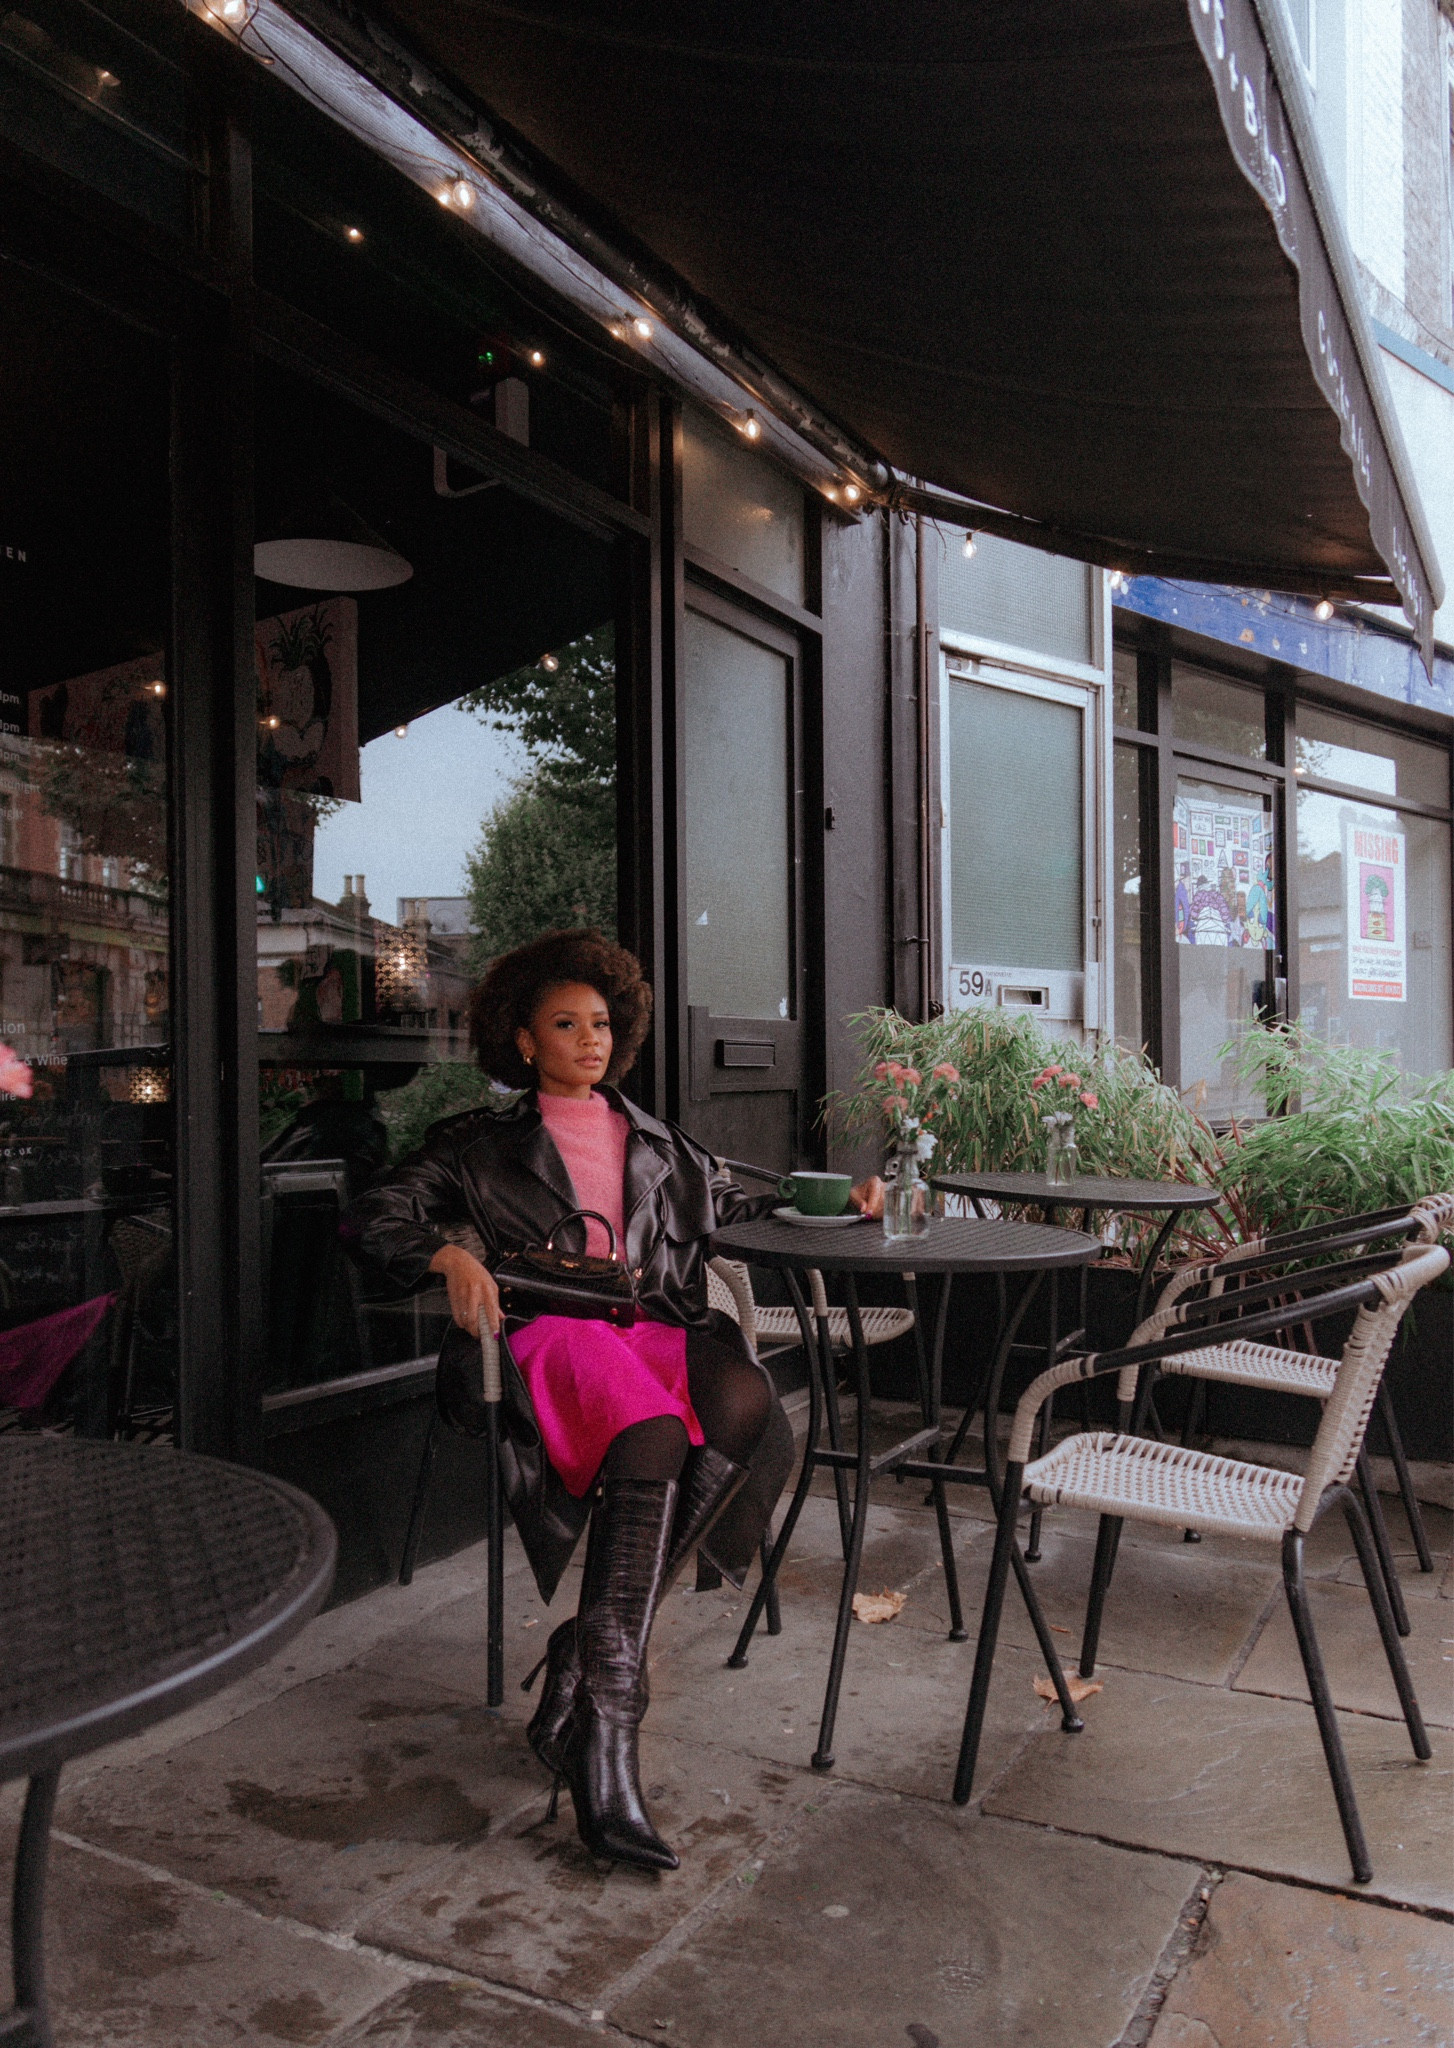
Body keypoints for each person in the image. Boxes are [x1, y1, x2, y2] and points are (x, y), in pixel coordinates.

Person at [349, 929, 881, 1871]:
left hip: (654, 1328)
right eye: (566, 1024)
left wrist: (853, 1202)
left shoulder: (660, 1142)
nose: (590, 1040)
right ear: (523, 1039)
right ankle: (609, 1736)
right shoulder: (478, 1145)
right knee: (648, 1430)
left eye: (601, 1023)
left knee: (747, 1403)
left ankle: (587, 1652)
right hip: (551, 1331)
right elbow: (374, 1214)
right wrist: (448, 1252)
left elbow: (754, 1204)